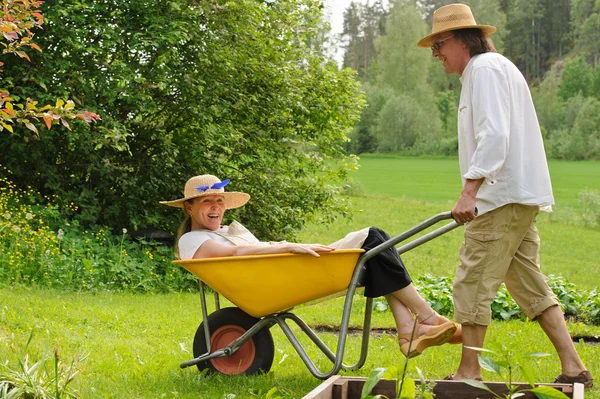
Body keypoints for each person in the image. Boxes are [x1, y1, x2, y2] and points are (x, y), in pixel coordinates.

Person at [417, 3, 593, 388]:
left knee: (473, 279)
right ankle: (574, 367)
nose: (436, 55)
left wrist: (470, 190)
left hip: (500, 198)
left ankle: (469, 374)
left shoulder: (483, 70)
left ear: (460, 40)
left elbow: (494, 134)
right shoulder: (492, 70)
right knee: (528, 283)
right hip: (516, 196)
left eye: (438, 45)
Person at [161, 174, 459, 358]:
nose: (215, 207)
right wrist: (289, 246)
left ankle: (409, 329)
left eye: (219, 201)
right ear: (189, 208)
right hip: (279, 280)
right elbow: (239, 252)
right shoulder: (193, 240)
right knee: (375, 238)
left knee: (376, 254)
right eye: (206, 202)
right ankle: (425, 319)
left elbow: (241, 249)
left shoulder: (218, 232)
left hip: (284, 273)